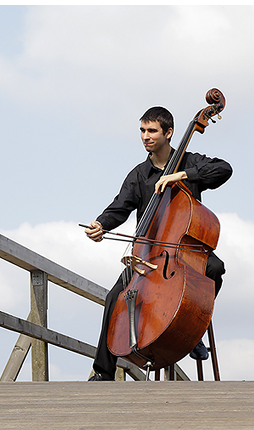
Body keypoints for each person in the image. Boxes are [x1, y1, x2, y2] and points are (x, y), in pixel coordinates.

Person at [84, 106, 232, 381]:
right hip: (149, 252)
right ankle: (103, 372)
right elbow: (120, 206)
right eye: (142, 130)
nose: (145, 136)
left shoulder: (189, 161)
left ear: (169, 133)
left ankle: (193, 325)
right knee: (114, 297)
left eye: (152, 131)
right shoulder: (139, 174)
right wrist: (102, 224)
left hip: (185, 250)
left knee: (215, 269)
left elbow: (224, 169)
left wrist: (181, 176)